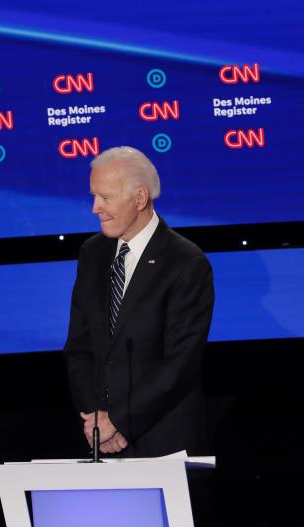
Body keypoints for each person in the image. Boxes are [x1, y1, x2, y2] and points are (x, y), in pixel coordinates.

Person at [63, 146, 214, 457]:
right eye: (93, 196)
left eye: (105, 197)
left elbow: (179, 365)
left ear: (140, 198)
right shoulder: (92, 254)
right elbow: (79, 347)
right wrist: (97, 423)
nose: (95, 208)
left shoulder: (186, 262)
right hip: (102, 441)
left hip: (163, 443)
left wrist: (118, 421)